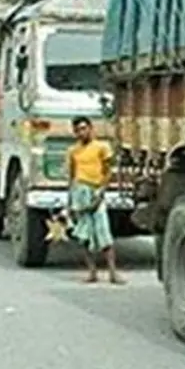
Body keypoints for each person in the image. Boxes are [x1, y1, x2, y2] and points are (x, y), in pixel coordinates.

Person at [65, 116, 122, 285]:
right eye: (78, 130)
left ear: (91, 128)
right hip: (79, 192)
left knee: (104, 233)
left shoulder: (102, 148)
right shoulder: (73, 151)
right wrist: (69, 202)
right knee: (84, 235)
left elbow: (108, 171)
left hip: (96, 190)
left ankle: (113, 273)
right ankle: (92, 272)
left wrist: (101, 193)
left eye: (84, 128)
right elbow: (71, 176)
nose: (81, 132)